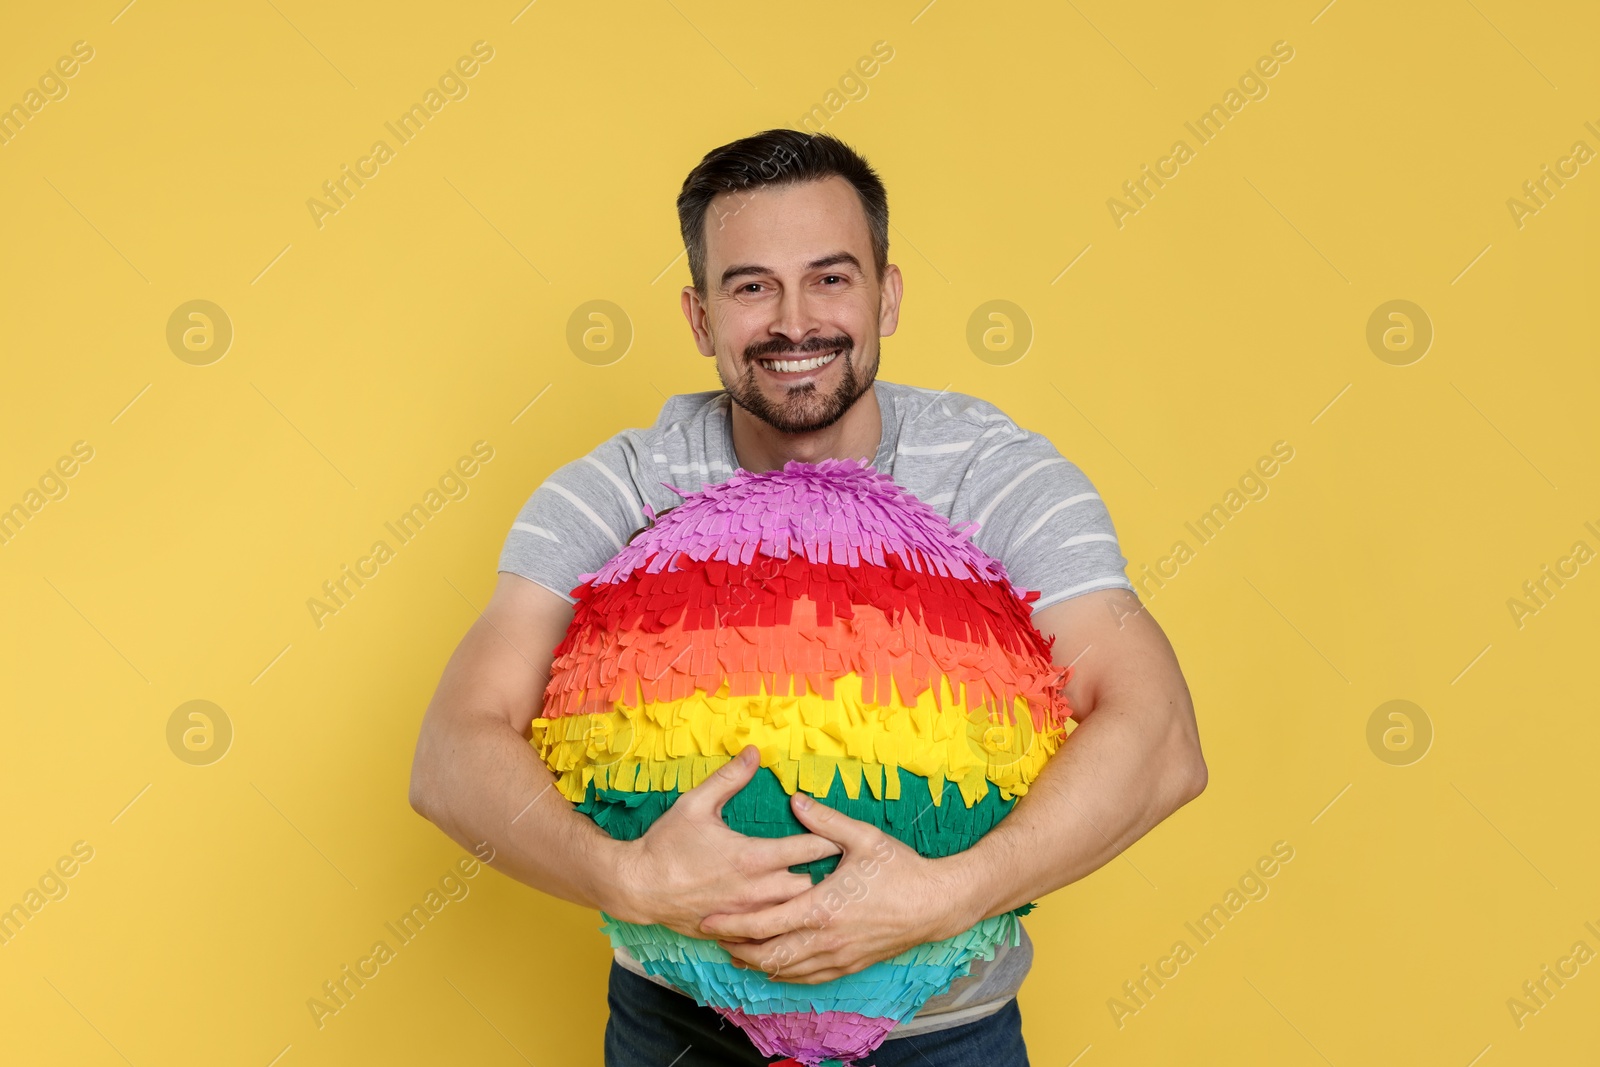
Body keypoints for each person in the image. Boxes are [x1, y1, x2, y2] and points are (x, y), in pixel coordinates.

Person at [408, 129, 1207, 1066]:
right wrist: (626, 877)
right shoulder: (622, 487)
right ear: (702, 318)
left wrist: (945, 897)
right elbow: (451, 753)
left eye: (831, 278)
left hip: (945, 1037)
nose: (795, 322)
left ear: (888, 295)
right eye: (751, 286)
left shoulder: (994, 475)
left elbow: (1161, 738)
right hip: (677, 1031)